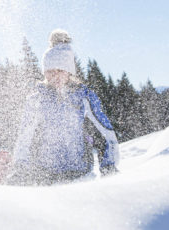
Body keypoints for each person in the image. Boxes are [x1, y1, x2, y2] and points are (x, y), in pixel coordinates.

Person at [7, 29, 119, 185]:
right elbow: (25, 137)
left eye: (60, 70)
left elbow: (105, 134)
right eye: (50, 71)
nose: (55, 76)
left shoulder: (84, 97)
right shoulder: (37, 100)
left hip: (80, 174)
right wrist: (20, 169)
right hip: (44, 174)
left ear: (69, 71)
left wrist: (109, 166)